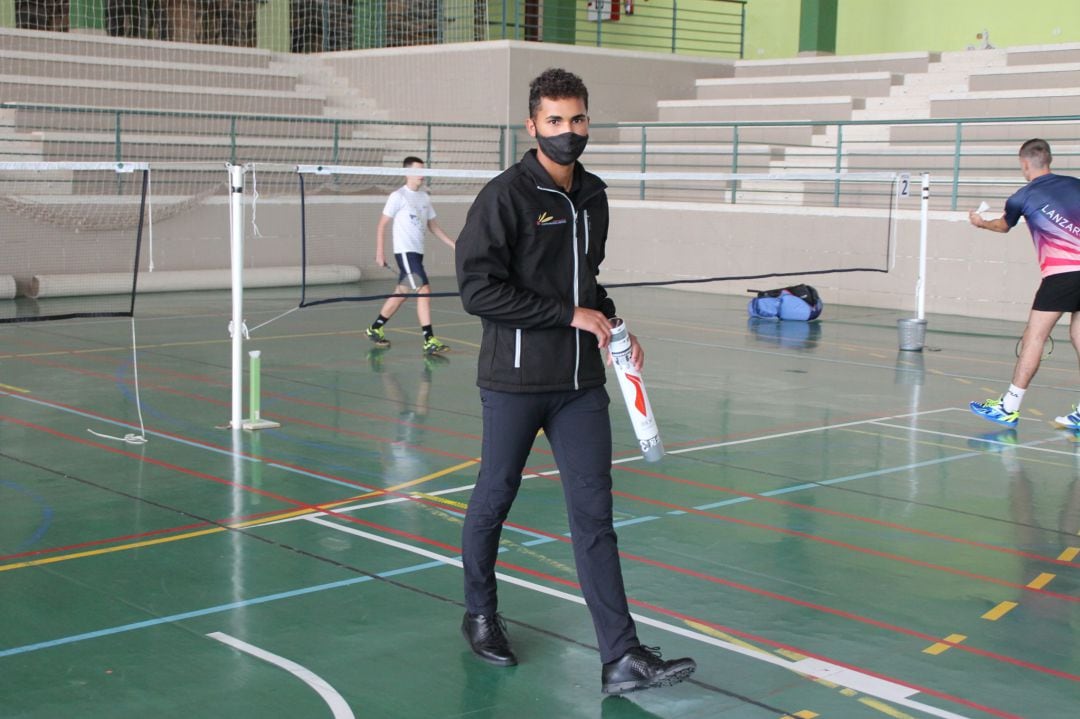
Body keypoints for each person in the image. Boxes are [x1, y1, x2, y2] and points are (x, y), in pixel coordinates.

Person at [454, 68, 696, 694]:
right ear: (531, 126)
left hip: (580, 385)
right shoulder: (504, 197)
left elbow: (584, 280)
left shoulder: (594, 196)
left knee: (595, 515)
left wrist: (611, 321)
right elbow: (478, 292)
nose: (568, 132)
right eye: (556, 121)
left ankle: (621, 655)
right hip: (512, 381)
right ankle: (480, 614)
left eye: (578, 120)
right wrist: (568, 314)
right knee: (494, 498)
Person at [969, 138, 1080, 430]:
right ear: (1049, 160)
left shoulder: (1023, 196)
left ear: (1025, 163)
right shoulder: (1076, 185)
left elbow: (1004, 226)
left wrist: (981, 222)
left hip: (1062, 274)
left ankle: (1009, 406)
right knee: (1079, 337)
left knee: (1034, 336)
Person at [365, 156, 457, 355]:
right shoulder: (398, 196)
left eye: (424, 171)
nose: (422, 175)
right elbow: (382, 225)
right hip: (405, 253)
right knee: (424, 290)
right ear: (407, 173)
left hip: (418, 253)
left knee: (401, 293)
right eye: (418, 171)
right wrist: (380, 252)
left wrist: (454, 245)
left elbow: (433, 226)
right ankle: (429, 339)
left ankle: (375, 327)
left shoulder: (424, 198)